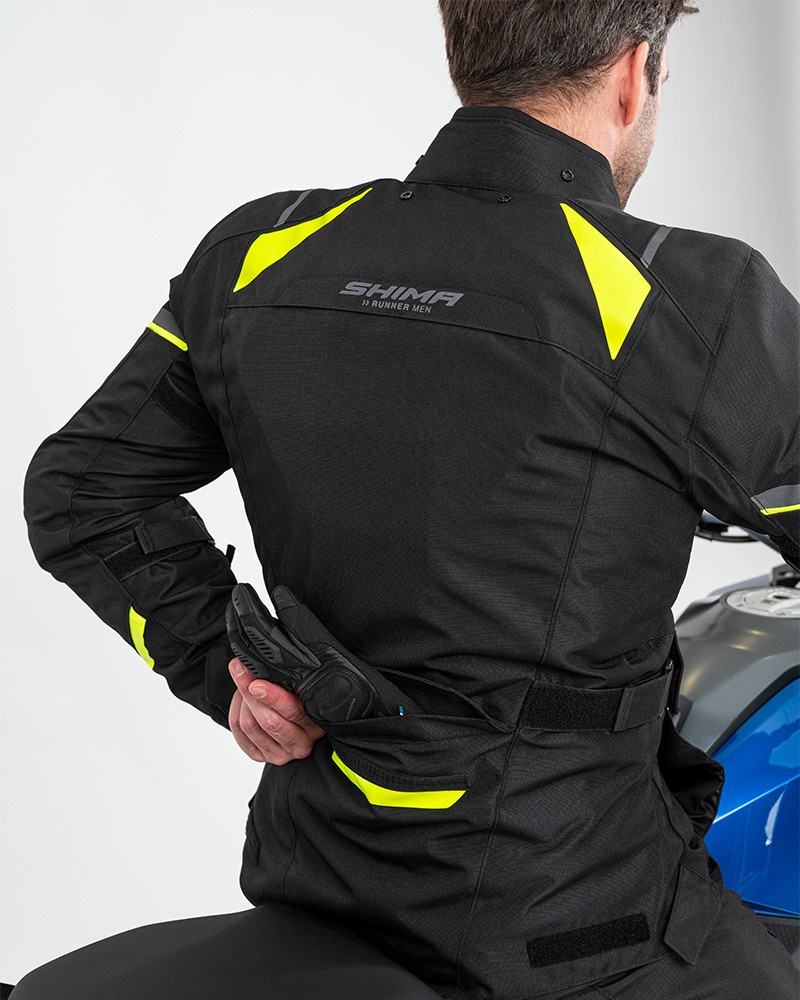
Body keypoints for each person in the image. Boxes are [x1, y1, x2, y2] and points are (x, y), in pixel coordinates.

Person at [16, 1, 800, 998]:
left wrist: (224, 666)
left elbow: (80, 489)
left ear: (467, 53)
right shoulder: (688, 294)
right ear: (630, 71)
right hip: (574, 927)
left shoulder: (263, 246)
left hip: (321, 870)